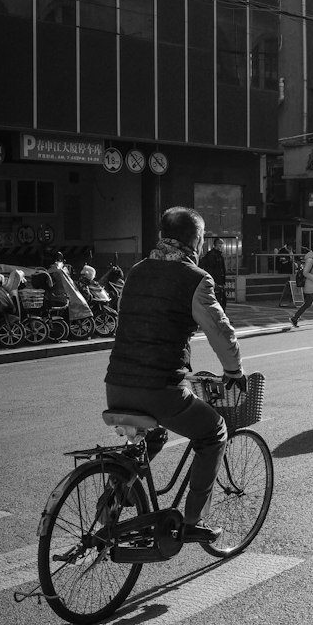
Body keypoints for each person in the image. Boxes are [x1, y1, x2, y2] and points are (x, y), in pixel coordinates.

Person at [105, 206, 245, 544]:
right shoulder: (195, 278)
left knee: (152, 437)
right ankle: (193, 520)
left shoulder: (136, 271)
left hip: (116, 384)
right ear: (195, 240)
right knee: (214, 432)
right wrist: (234, 371)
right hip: (160, 388)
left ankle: (112, 501)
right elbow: (220, 330)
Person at [199, 235, 228, 310]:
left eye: (222, 244)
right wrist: (214, 281)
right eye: (219, 244)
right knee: (217, 300)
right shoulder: (212, 255)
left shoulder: (219, 255)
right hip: (215, 282)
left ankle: (221, 316)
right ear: (215, 245)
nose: (221, 246)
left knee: (221, 300)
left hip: (219, 282)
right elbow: (210, 269)